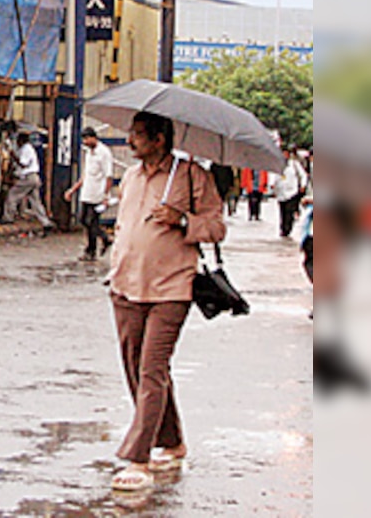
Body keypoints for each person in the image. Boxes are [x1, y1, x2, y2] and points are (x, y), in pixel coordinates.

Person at [105, 111, 225, 492]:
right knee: (135, 367)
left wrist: (183, 220)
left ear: (159, 139)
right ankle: (172, 441)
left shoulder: (192, 177)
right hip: (125, 285)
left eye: (138, 134)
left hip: (171, 288)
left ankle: (138, 458)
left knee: (152, 368)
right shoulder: (131, 176)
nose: (130, 140)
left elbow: (217, 227)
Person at [65, 127, 114, 259]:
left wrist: (105, 196)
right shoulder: (89, 153)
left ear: (94, 137)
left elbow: (108, 176)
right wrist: (73, 189)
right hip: (87, 191)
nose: (85, 142)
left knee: (92, 221)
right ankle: (104, 239)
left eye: (87, 139)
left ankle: (91, 251)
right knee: (83, 220)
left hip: (98, 193)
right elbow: (85, 175)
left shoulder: (104, 153)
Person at [2, 132, 55, 230]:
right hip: (34, 177)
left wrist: (13, 155)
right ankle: (45, 222)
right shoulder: (28, 149)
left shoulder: (26, 149)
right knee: (36, 202)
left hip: (28, 178)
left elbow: (23, 164)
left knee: (12, 195)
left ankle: (8, 217)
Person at [274, 149, 308, 238]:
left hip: (292, 192)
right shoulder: (277, 164)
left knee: (289, 211)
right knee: (282, 212)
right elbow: (273, 175)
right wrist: (272, 185)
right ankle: (283, 229)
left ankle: (287, 229)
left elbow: (303, 175)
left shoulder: (294, 164)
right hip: (280, 192)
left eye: (286, 153)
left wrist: (303, 185)